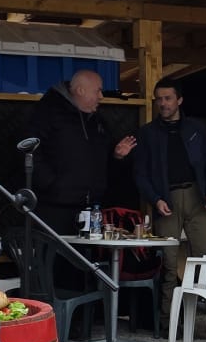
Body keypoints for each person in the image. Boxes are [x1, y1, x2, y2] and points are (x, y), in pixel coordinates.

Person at [134, 79, 206, 310]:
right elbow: (140, 174)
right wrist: (156, 199)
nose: (163, 103)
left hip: (196, 196)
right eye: (159, 99)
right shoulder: (148, 133)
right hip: (167, 199)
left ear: (179, 100)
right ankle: (167, 322)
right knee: (169, 264)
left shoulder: (195, 128)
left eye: (168, 98)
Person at [24, 68, 138, 238]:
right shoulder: (48, 113)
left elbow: (103, 162)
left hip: (90, 209)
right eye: (98, 90)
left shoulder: (97, 122)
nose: (101, 96)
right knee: (54, 260)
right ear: (81, 90)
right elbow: (28, 150)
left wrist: (117, 155)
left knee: (83, 262)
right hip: (54, 208)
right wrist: (52, 185)